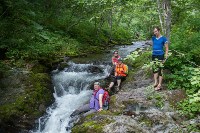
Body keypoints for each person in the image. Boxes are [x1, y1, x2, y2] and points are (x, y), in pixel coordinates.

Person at [152, 26, 169, 91]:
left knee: (160, 69)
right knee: (154, 69)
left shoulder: (164, 39)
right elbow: (154, 45)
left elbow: (167, 48)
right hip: (154, 55)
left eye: (156, 31)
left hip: (160, 55)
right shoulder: (153, 38)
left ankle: (159, 84)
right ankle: (155, 82)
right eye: (154, 31)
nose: (155, 32)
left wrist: (166, 56)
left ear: (159, 31)